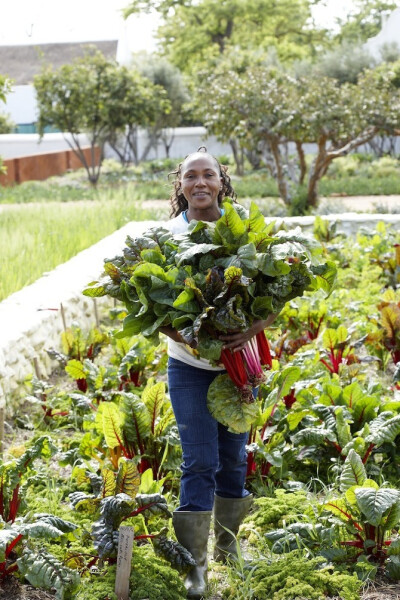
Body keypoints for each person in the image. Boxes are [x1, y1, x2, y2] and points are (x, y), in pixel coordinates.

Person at [160, 147, 275, 599]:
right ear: (181, 184)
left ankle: (228, 547)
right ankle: (196, 567)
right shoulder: (166, 236)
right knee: (200, 460)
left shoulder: (243, 229)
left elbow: (274, 295)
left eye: (209, 175)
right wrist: (188, 337)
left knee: (233, 458)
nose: (200, 183)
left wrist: (253, 326)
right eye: (192, 176)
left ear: (221, 182)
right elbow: (150, 308)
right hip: (188, 367)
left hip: (237, 366)